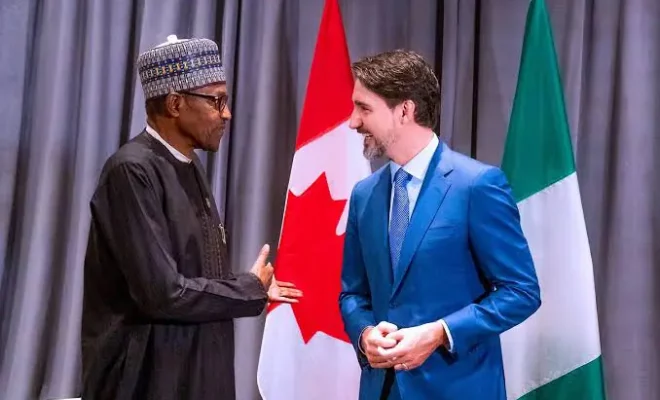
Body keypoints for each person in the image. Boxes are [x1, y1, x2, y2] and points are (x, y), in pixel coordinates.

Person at [81, 35, 302, 400]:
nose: (227, 114)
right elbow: (163, 294)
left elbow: (193, 276)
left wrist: (251, 289)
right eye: (217, 101)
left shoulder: (189, 164)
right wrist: (247, 289)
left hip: (196, 369)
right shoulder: (131, 171)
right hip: (145, 379)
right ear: (175, 104)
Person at [338, 49, 541, 399]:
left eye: (364, 108)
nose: (353, 122)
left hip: (457, 389)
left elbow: (521, 291)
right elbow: (352, 293)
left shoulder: (478, 186)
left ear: (405, 110)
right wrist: (364, 334)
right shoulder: (364, 195)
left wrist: (441, 332)